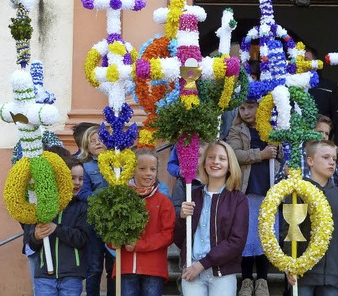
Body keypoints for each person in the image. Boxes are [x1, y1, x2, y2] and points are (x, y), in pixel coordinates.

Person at [175, 140, 249, 296]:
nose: (215, 162)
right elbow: (179, 239)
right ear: (203, 163)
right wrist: (182, 219)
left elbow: (237, 241)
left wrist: (203, 264)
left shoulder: (238, 199)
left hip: (222, 274)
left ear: (230, 165)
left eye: (222, 158)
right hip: (191, 270)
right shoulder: (192, 196)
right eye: (211, 157)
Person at [285, 140, 338, 296]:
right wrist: (289, 264)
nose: (331, 162)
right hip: (303, 273)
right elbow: (290, 231)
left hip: (333, 274)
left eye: (334, 159)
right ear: (310, 161)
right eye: (326, 157)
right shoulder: (298, 192)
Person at [227, 100, 280, 296]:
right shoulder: (236, 130)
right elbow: (235, 153)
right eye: (242, 108)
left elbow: (282, 153)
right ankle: (247, 279)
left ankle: (263, 280)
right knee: (247, 235)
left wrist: (276, 150)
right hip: (247, 190)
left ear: (260, 107)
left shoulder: (272, 127)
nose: (246, 112)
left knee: (265, 235)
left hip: (269, 189)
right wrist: (261, 154)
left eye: (250, 107)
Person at [26, 156, 90, 296]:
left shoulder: (82, 207)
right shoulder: (44, 206)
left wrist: (57, 229)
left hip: (71, 275)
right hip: (44, 276)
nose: (77, 183)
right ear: (60, 178)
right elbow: (31, 243)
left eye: (81, 178)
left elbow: (82, 238)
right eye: (72, 178)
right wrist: (36, 236)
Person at [117, 149, 175, 296]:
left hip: (153, 269)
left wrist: (140, 244)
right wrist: (114, 241)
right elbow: (110, 232)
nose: (148, 173)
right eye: (142, 168)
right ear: (132, 170)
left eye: (153, 169)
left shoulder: (164, 201)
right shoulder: (120, 199)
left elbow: (168, 235)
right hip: (126, 267)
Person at [76, 125, 114, 296]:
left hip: (114, 222)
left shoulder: (118, 160)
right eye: (93, 141)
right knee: (94, 266)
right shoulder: (85, 166)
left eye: (101, 139)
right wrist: (103, 197)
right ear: (86, 147)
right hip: (94, 222)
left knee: (114, 267)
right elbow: (83, 193)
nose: (98, 143)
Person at [305, 46, 338, 149]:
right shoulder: (287, 87)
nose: (302, 64)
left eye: (306, 60)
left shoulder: (329, 87)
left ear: (315, 63)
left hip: (321, 144)